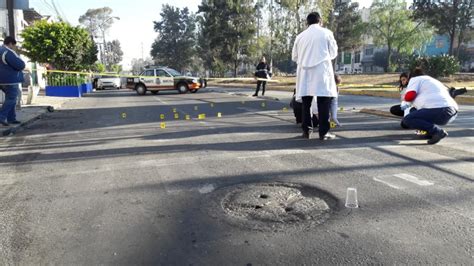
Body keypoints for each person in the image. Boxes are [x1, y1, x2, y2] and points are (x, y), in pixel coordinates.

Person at [292, 12, 338, 140]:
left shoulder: (300, 36)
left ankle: (306, 131)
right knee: (324, 102)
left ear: (307, 22)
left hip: (305, 71)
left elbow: (294, 57)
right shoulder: (327, 33)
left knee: (306, 103)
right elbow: (333, 53)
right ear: (320, 21)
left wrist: (306, 59)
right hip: (321, 70)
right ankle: (323, 132)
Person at [401, 68, 459, 144]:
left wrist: (404, 97)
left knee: (407, 119)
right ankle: (430, 132)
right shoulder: (432, 80)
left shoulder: (415, 79)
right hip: (452, 112)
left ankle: (437, 131)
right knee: (414, 111)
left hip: (439, 109)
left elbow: (410, 96)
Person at [0, 36, 25, 126]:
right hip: (10, 80)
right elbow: (19, 65)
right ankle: (1, 116)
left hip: (2, 80)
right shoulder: (7, 52)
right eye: (13, 45)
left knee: (10, 98)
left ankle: (11, 118)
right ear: (10, 43)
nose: (14, 47)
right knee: (12, 99)